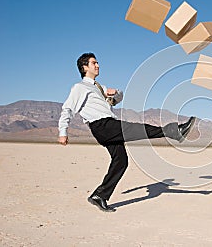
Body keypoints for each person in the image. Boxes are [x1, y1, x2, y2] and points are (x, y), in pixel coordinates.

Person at [58, 52, 195, 212]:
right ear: (84, 67)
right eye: (94, 63)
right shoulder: (80, 87)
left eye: (97, 62)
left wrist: (115, 93)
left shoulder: (99, 88)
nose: (98, 65)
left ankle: (99, 196)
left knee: (121, 161)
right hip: (102, 125)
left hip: (108, 125)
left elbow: (116, 100)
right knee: (136, 129)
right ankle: (174, 131)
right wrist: (63, 131)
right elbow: (67, 108)